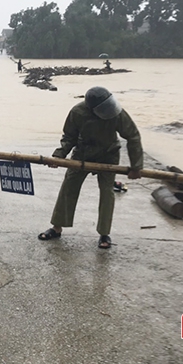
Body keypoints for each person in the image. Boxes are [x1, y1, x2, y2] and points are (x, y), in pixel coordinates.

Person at [38, 86, 143, 248]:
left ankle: (104, 234)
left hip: (109, 154)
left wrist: (136, 166)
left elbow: (133, 136)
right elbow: (69, 137)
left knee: (107, 192)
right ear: (91, 108)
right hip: (83, 154)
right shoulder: (78, 113)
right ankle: (57, 227)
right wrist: (59, 156)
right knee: (69, 187)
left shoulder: (116, 112)